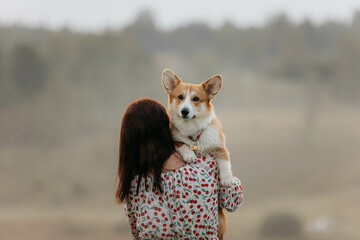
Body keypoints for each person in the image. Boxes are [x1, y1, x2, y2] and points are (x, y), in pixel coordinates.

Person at [116, 98, 243, 239]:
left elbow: (136, 235)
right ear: (166, 126)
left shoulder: (134, 186)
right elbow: (232, 201)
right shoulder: (204, 164)